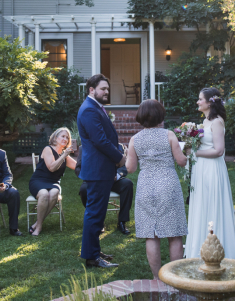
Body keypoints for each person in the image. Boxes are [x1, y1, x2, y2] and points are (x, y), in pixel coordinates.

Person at [126, 99, 188, 279]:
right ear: (160, 116)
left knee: (151, 236)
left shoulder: (135, 139)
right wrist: (188, 152)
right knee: (174, 234)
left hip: (146, 187)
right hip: (167, 184)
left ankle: (156, 278)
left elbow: (130, 169)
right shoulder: (168, 135)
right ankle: (174, 277)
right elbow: (181, 161)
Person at [184, 87, 235, 261]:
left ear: (210, 102)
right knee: (201, 204)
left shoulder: (217, 121)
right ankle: (200, 246)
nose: (197, 102)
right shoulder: (204, 121)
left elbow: (219, 151)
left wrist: (193, 153)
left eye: (200, 99)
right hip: (201, 169)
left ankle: (217, 247)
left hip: (212, 169)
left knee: (211, 204)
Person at [77, 74, 127, 269]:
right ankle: (92, 258)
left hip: (101, 168)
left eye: (107, 89)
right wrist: (119, 158)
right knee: (95, 214)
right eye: (103, 89)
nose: (107, 92)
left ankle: (94, 251)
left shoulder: (95, 107)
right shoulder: (89, 109)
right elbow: (100, 141)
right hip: (98, 169)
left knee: (97, 213)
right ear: (92, 89)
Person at [28, 127, 77, 236]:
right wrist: (64, 155)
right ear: (55, 137)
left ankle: (37, 223)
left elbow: (78, 166)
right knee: (44, 194)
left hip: (53, 182)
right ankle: (39, 226)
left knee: (54, 193)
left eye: (67, 137)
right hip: (38, 181)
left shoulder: (64, 154)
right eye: (62, 136)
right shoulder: (48, 149)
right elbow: (51, 167)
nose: (65, 139)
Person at [76, 144, 134, 235]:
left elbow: (123, 167)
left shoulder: (118, 146)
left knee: (127, 184)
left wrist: (117, 175)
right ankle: (98, 221)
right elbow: (78, 168)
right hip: (93, 181)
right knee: (84, 190)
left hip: (113, 180)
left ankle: (122, 222)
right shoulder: (83, 147)